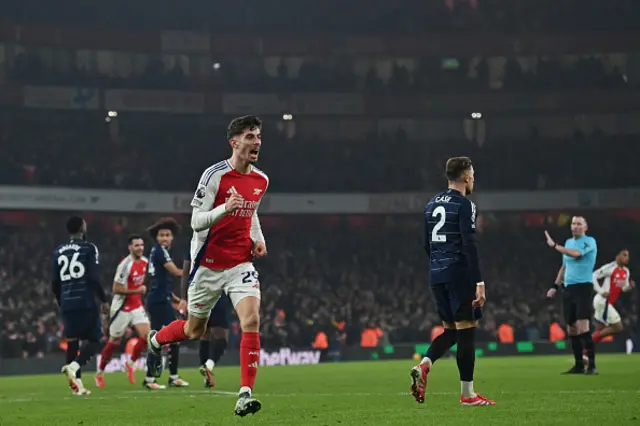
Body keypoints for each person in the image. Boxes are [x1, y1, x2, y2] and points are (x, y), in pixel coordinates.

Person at [145, 115, 269, 416]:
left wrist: (258, 238)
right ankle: (157, 339)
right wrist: (224, 209)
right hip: (208, 266)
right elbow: (196, 221)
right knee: (193, 329)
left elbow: (251, 213)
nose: (257, 142)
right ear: (234, 142)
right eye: (250, 136)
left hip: (240, 263)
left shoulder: (261, 180)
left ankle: (244, 394)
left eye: (258, 136)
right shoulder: (214, 176)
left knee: (251, 321)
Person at [409, 156, 495, 406]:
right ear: (467, 177)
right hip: (458, 273)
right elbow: (469, 243)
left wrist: (439, 266)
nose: (473, 180)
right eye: (473, 175)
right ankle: (468, 395)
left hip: (436, 274)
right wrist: (478, 281)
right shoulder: (464, 204)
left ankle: (424, 364)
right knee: (466, 333)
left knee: (451, 332)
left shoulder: (430, 204)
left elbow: (427, 244)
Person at [53, 216, 109, 396]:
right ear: (82, 228)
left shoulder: (58, 251)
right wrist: (104, 299)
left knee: (72, 342)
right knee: (95, 340)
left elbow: (55, 282)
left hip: (67, 302)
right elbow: (94, 277)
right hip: (85, 300)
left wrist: (61, 301)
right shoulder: (89, 248)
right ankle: (74, 366)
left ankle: (76, 384)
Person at [544, 216, 598, 374]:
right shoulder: (568, 242)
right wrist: (555, 285)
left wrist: (555, 246)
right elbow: (564, 266)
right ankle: (579, 365)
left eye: (579, 224)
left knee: (583, 327)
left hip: (583, 287)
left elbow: (576, 254)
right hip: (568, 288)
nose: (575, 226)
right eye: (573, 223)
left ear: (585, 227)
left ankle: (592, 365)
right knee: (572, 328)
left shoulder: (589, 241)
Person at [95, 235, 150, 388]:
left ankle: (130, 363)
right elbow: (116, 288)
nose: (140, 248)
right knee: (114, 343)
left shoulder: (145, 262)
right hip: (121, 308)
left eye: (141, 245)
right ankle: (99, 373)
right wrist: (137, 290)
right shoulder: (125, 265)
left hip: (137, 306)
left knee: (148, 336)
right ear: (130, 247)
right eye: (136, 245)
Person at [143, 217, 189, 390]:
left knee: (156, 339)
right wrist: (194, 269)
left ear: (172, 238)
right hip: (159, 301)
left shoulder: (157, 251)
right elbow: (176, 272)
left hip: (158, 299)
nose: (165, 238)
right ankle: (173, 376)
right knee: (174, 336)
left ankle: (150, 379)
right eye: (162, 235)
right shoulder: (161, 251)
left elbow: (160, 281)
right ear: (157, 238)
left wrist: (174, 299)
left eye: (167, 235)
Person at [182, 252, 231, 388]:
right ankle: (208, 365)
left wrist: (184, 298)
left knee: (205, 334)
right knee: (222, 337)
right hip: (217, 293)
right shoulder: (220, 242)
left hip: (198, 293)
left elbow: (185, 272)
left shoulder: (193, 244)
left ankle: (205, 376)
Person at [590, 249, 635, 344]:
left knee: (600, 330)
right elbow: (593, 275)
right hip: (602, 301)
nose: (627, 258)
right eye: (624, 255)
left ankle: (585, 352)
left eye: (628, 256)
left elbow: (623, 288)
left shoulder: (626, 271)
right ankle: (589, 341)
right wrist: (600, 290)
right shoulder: (610, 267)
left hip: (607, 303)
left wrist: (629, 287)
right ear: (617, 257)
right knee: (618, 327)